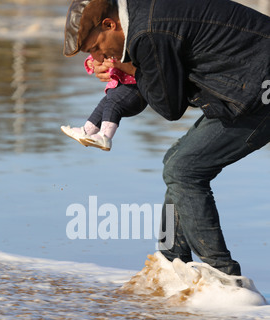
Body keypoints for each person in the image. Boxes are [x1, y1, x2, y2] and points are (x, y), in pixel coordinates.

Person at [63, 0, 270, 277]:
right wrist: (128, 68)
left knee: (183, 170)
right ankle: (172, 262)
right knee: (176, 161)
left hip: (260, 90)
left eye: (96, 49)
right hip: (242, 83)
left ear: (110, 24)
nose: (99, 59)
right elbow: (163, 77)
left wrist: (128, 68)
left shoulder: (147, 33)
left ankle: (223, 276)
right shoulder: (141, 16)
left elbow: (169, 107)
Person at [61, 54, 147, 151]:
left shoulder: (120, 46)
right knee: (104, 105)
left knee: (113, 104)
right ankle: (87, 131)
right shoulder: (107, 49)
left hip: (134, 88)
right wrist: (91, 60)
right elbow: (101, 51)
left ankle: (105, 137)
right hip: (118, 87)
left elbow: (110, 49)